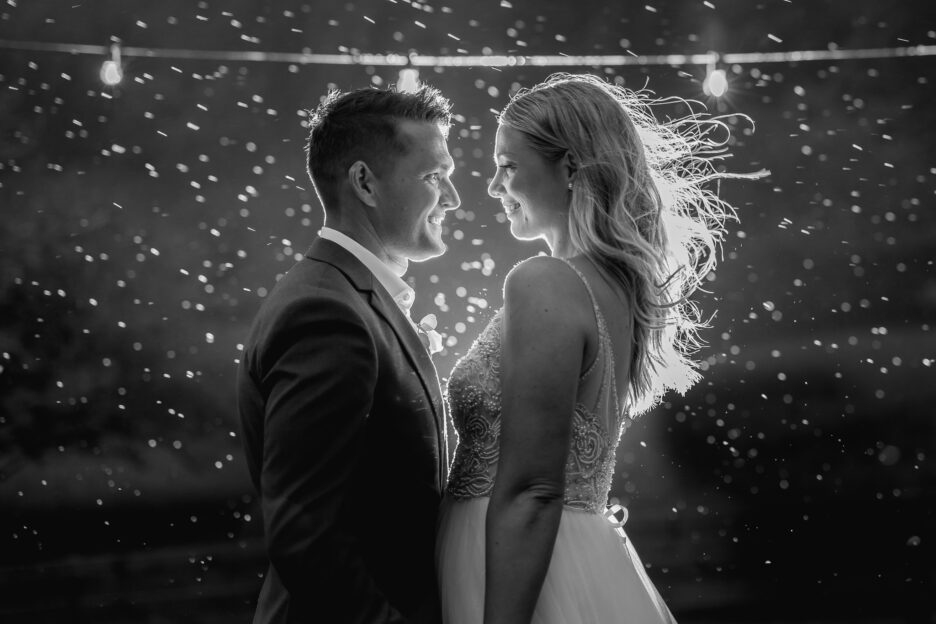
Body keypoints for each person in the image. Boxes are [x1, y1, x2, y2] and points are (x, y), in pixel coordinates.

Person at [436, 73, 742, 624]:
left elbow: (532, 489)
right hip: (573, 558)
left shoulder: (545, 282)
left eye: (507, 167)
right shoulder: (619, 290)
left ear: (571, 167)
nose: (492, 187)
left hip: (514, 572)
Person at [237, 83, 460, 623]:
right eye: (434, 177)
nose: (452, 198)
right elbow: (304, 533)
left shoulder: (346, 296)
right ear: (364, 182)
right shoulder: (326, 314)